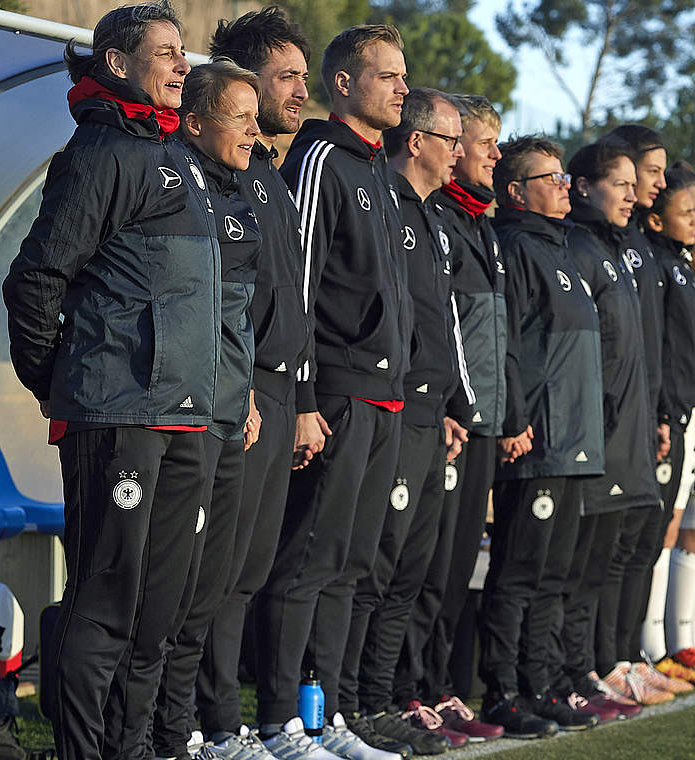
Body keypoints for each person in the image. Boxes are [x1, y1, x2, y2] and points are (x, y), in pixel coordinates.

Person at [1, 3, 219, 758]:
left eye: (181, 51)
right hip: (117, 414)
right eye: (165, 52)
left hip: (185, 416)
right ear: (118, 64)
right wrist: (56, 383)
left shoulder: (179, 156)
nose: (181, 65)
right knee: (106, 601)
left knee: (159, 609)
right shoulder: (97, 152)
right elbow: (34, 281)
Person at [258, 23, 414, 757]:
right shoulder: (320, 157)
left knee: (352, 563)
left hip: (385, 396)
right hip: (338, 395)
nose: (402, 88)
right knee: (309, 561)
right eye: (388, 76)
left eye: (404, 76)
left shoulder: (380, 168)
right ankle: (281, 719)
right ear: (345, 84)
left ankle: (332, 717)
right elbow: (301, 284)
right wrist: (306, 400)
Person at [194, 10, 318, 759]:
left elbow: (286, 303)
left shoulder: (267, 177)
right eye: (286, 78)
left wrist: (299, 401)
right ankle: (208, 727)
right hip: (233, 396)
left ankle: (233, 725)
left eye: (304, 77)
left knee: (248, 570)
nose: (299, 92)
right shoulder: (219, 179)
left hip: (275, 396)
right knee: (217, 570)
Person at [346, 87, 473, 756]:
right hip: (387, 410)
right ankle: (349, 704)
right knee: (374, 565)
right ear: (417, 142)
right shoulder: (382, 204)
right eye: (451, 139)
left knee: (409, 572)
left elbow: (438, 321)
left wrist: (454, 402)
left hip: (430, 418)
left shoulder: (435, 218)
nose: (461, 152)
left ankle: (379, 699)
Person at [148, 59, 268, 760]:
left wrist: (246, 388)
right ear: (195, 122)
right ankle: (153, 735)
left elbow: (235, 317)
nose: (255, 132)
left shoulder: (237, 198)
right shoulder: (166, 184)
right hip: (179, 416)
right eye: (240, 117)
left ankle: (180, 729)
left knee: (209, 589)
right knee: (169, 587)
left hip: (228, 414)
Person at [481, 135, 605, 738]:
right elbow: (509, 345)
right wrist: (516, 419)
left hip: (575, 441)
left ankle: (544, 682)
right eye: (549, 177)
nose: (563, 185)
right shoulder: (516, 247)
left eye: (563, 176)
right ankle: (502, 690)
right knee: (519, 572)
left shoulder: (563, 252)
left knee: (555, 576)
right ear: (515, 191)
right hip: (539, 441)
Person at [400, 93, 510, 742]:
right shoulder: (432, 217)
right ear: (451, 143)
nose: (494, 154)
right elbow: (438, 327)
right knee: (429, 567)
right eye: (485, 143)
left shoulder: (480, 226)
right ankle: (408, 690)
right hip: (446, 420)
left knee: (457, 563)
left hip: (482, 422)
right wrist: (452, 403)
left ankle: (439, 687)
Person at [562, 139, 678, 711]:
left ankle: (611, 662)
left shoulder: (616, 248)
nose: (635, 194)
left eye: (640, 183)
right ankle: (584, 669)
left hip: (630, 431)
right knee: (586, 565)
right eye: (624, 183)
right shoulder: (579, 247)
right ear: (584, 185)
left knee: (619, 557)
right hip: (598, 437)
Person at [644, 168, 695, 682]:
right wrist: (665, 412)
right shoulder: (657, 263)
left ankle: (669, 646)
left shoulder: (686, 266)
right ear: (657, 217)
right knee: (659, 534)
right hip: (666, 417)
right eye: (690, 212)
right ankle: (654, 648)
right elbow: (660, 352)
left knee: (671, 532)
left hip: (689, 416)